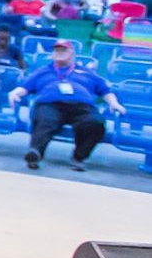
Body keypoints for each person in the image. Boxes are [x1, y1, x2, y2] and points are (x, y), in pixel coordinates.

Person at [10, 39, 126, 171]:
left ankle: (78, 157)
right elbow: (25, 87)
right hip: (51, 104)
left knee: (95, 122)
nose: (59, 52)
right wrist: (15, 93)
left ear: (72, 53)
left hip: (82, 106)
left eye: (63, 50)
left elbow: (105, 90)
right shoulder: (42, 71)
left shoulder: (86, 72)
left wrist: (114, 103)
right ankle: (35, 153)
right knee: (45, 119)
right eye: (57, 50)